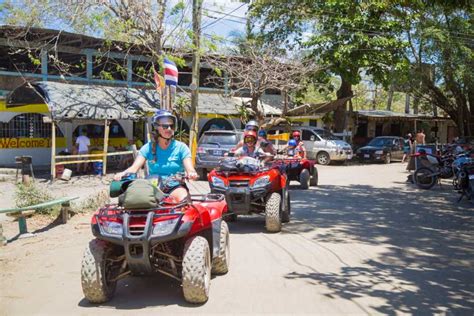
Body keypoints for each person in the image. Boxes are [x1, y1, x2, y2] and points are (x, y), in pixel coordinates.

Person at [114, 110, 198, 202]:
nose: (169, 129)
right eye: (165, 126)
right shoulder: (148, 148)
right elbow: (134, 168)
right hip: (153, 187)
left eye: (172, 126)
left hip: (175, 186)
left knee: (184, 202)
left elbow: (190, 169)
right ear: (156, 128)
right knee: (134, 204)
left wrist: (191, 174)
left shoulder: (181, 147)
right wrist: (122, 174)